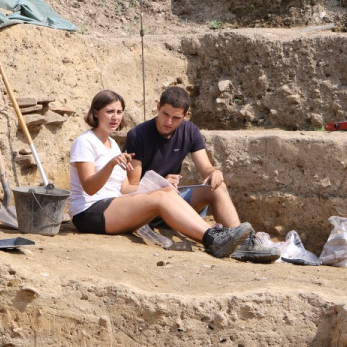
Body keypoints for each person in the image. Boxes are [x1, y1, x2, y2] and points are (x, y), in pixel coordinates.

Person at [68, 89, 252, 258]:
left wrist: (158, 184)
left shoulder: (113, 145)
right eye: (109, 112)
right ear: (95, 112)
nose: (115, 117)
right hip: (89, 213)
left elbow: (125, 188)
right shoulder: (84, 142)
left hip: (113, 205)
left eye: (119, 112)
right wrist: (110, 165)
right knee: (160, 198)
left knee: (166, 192)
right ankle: (212, 238)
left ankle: (232, 241)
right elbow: (90, 188)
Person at [125, 86, 280, 263]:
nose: (168, 121)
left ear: (186, 115)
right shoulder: (137, 135)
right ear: (157, 106)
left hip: (174, 199)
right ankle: (215, 240)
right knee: (166, 194)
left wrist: (214, 173)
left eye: (176, 118)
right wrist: (159, 183)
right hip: (148, 206)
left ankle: (242, 244)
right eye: (165, 114)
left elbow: (205, 168)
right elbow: (131, 188)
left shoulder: (190, 131)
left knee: (217, 187)